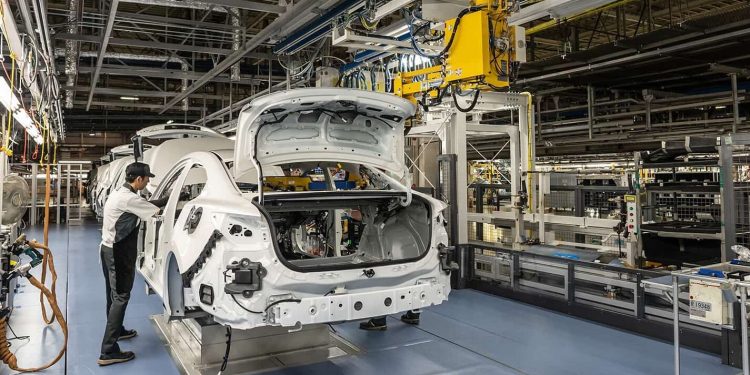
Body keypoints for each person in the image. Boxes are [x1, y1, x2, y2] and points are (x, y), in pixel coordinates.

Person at [97, 162, 178, 366]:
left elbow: (150, 204)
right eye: (147, 178)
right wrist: (176, 197)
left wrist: (171, 195)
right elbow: (155, 209)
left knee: (113, 295)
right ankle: (108, 351)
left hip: (107, 249)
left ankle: (118, 330)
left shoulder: (120, 192)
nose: (149, 181)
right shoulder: (129, 198)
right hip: (118, 252)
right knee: (121, 296)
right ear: (138, 179)